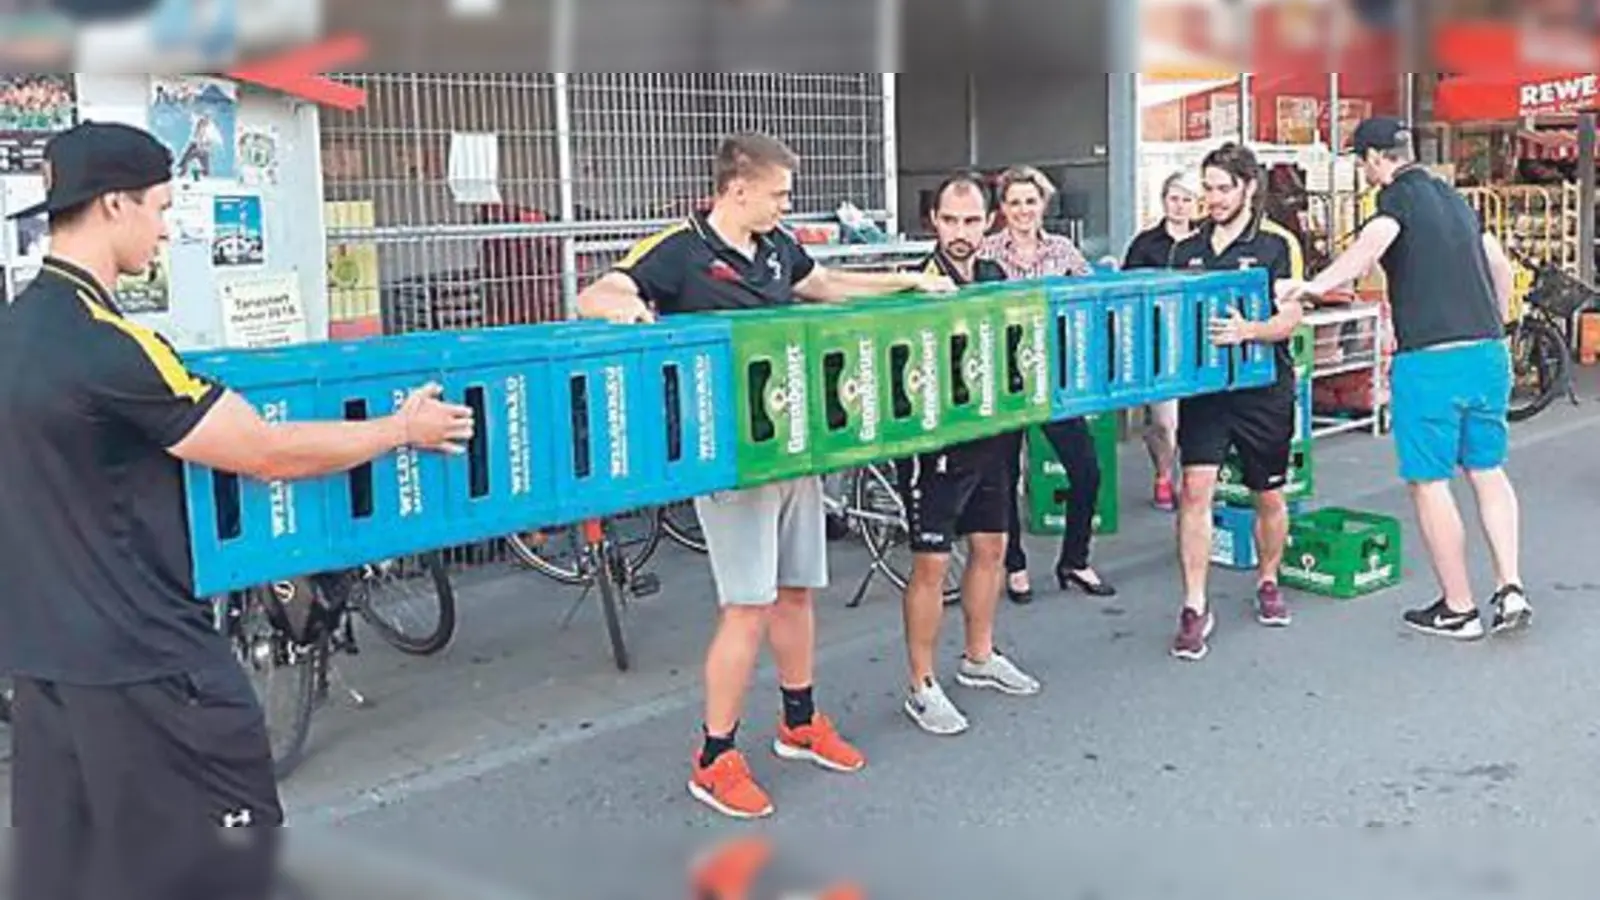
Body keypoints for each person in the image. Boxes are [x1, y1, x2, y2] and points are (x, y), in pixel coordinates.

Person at [0, 121, 474, 900]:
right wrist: (402, 429)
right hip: (149, 665)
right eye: (159, 206)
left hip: (46, 669)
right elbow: (264, 451)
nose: (166, 224)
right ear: (114, 205)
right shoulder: (110, 345)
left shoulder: (15, 331)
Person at [575, 132, 956, 818]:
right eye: (778, 193)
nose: (787, 204)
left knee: (795, 594)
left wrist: (909, 278)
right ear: (737, 188)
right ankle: (714, 757)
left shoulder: (778, 247)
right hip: (731, 456)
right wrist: (628, 311)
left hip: (795, 444)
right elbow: (596, 291)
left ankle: (799, 722)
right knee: (745, 608)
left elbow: (827, 286)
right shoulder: (680, 248)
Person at [1277, 117, 1530, 640]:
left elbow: (1369, 249)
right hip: (1487, 353)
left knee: (1430, 481)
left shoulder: (1395, 201)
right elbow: (1499, 265)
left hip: (1431, 361)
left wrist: (1310, 286)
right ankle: (1510, 588)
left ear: (1374, 158)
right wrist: (1498, 324)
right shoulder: (1456, 200)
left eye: (1361, 161)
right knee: (1487, 469)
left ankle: (1458, 608)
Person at [898, 171, 1042, 737]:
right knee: (932, 564)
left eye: (971, 220)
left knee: (993, 546)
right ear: (933, 220)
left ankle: (979, 658)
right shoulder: (915, 282)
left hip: (994, 435)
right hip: (935, 444)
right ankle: (921, 685)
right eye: (950, 220)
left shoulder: (993, 273)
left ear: (989, 222)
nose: (960, 232)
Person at [1168, 142, 1307, 662]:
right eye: (1207, 188)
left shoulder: (1278, 244)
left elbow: (1291, 318)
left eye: (1223, 188)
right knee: (1195, 491)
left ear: (1248, 187)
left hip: (1263, 390)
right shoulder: (1186, 250)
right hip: (1206, 392)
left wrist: (1249, 331)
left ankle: (1268, 580)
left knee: (1266, 496)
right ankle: (1194, 605)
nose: (1213, 198)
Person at [981, 164, 1116, 606]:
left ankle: (1075, 560)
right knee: (1004, 475)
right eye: (1015, 202)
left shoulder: (1063, 250)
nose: (1023, 210)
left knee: (1086, 470)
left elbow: (1090, 300)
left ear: (1044, 205)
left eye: (1031, 201)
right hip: (1003, 380)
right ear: (1002, 208)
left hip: (1055, 377)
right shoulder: (985, 252)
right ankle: (1014, 565)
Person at [1123, 170, 1199, 511]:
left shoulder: (1207, 243)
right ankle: (1163, 473)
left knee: (1193, 421)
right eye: (1174, 198)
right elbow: (1126, 289)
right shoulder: (1145, 243)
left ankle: (1188, 479)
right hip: (1156, 342)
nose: (1179, 206)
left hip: (1196, 340)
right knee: (1164, 422)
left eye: (1186, 200)